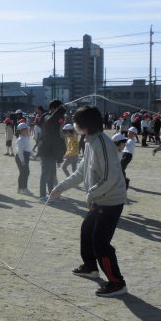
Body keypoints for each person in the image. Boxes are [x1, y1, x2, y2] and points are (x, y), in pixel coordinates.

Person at [50, 106, 128, 297]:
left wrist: (91, 194)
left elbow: (110, 177)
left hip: (110, 200)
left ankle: (117, 283)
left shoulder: (102, 143)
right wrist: (60, 187)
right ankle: (91, 267)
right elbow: (81, 172)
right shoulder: (90, 141)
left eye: (76, 121)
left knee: (100, 242)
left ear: (85, 124)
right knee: (87, 230)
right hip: (99, 198)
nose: (74, 125)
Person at [38, 100, 66, 203]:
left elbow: (58, 138)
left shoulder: (58, 119)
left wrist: (59, 156)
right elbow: (50, 122)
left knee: (52, 175)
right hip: (45, 151)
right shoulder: (46, 117)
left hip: (53, 151)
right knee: (45, 174)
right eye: (58, 109)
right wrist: (61, 110)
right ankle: (42, 196)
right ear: (53, 108)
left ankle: (51, 195)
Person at [15, 122, 33, 195]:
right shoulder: (21, 139)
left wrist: (35, 155)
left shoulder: (25, 138)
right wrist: (22, 160)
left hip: (25, 156)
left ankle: (20, 189)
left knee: (24, 173)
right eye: (26, 129)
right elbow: (20, 152)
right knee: (25, 173)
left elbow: (29, 149)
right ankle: (24, 189)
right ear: (21, 131)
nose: (27, 130)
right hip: (21, 157)